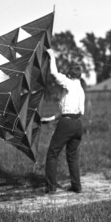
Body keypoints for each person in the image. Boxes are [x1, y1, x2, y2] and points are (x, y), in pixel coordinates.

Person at [41, 48, 85, 194]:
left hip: (66, 124)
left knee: (52, 154)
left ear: (70, 76)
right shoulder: (81, 90)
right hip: (78, 125)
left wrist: (52, 56)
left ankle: (51, 189)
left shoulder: (70, 84)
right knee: (72, 156)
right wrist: (50, 119)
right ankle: (77, 187)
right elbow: (72, 112)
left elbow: (54, 74)